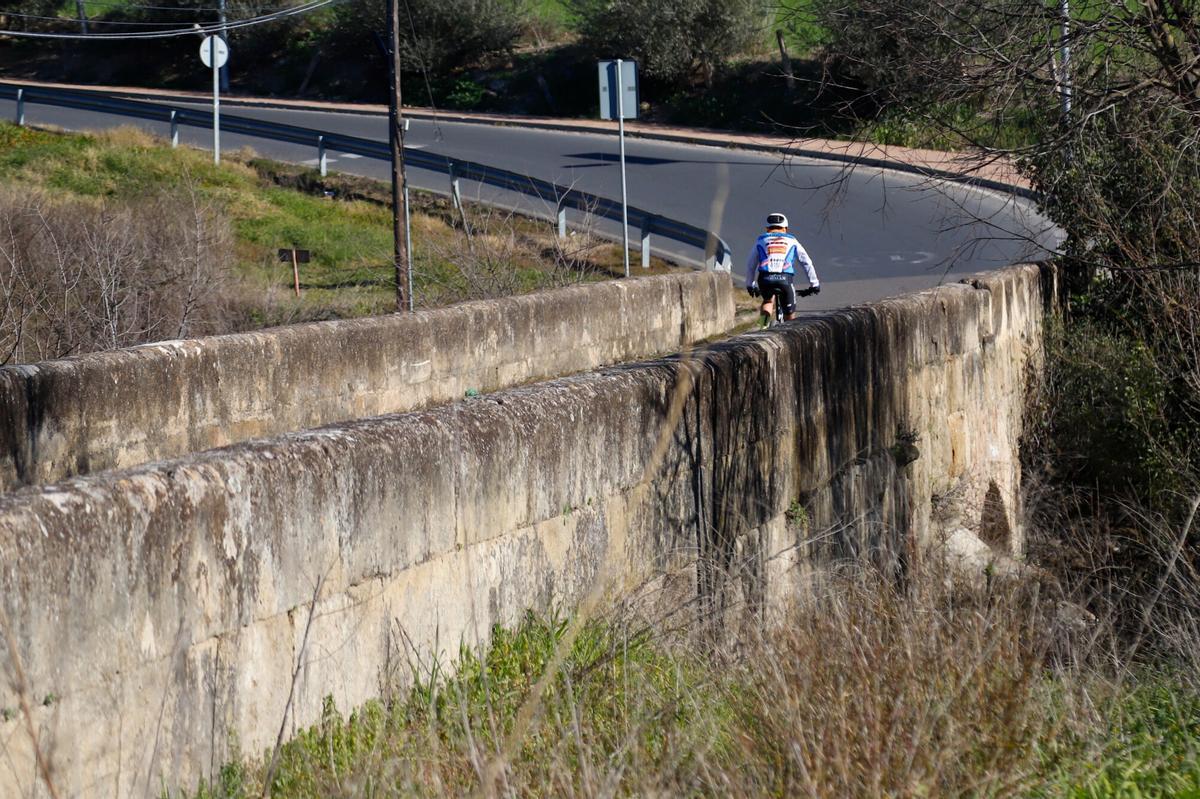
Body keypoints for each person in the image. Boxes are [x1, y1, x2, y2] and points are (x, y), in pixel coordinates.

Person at [745, 212, 819, 325]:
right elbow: (806, 262)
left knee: (768, 301)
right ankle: (790, 333)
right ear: (785, 229)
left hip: (765, 279)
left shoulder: (760, 240)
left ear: (767, 229)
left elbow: (751, 264)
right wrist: (814, 284)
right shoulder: (792, 241)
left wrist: (750, 285)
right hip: (784, 279)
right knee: (790, 315)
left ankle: (763, 326)